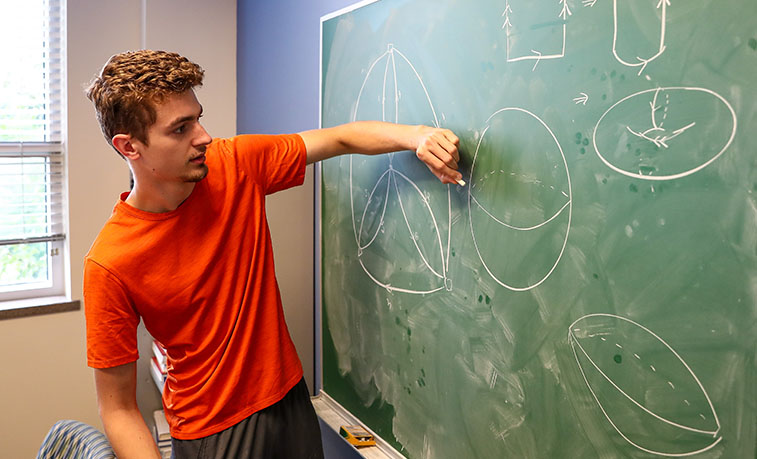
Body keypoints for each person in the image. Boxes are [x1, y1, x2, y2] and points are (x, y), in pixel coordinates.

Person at [83, 49, 461, 459]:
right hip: (214, 432)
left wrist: (417, 135)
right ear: (130, 147)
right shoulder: (110, 262)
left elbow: (339, 138)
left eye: (198, 117)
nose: (204, 136)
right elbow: (117, 408)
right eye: (180, 129)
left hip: (289, 401)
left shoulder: (235, 163)